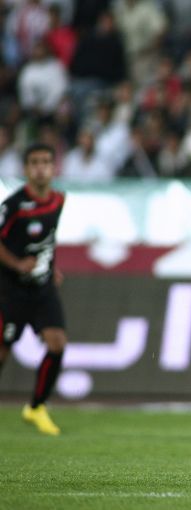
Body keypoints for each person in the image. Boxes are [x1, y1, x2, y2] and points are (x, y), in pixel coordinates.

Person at [0, 143, 67, 436]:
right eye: (35, 162)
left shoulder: (58, 200)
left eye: (46, 162)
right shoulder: (14, 205)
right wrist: (17, 264)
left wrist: (52, 267)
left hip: (43, 289)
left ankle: (36, 407)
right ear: (26, 169)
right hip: (11, 290)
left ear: (54, 167)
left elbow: (48, 239)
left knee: (57, 343)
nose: (41, 168)